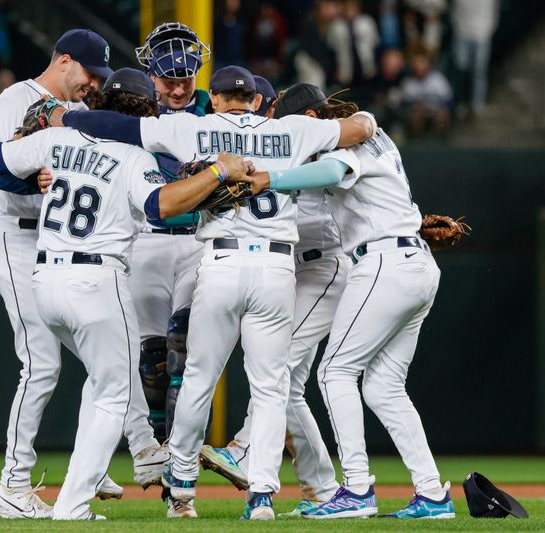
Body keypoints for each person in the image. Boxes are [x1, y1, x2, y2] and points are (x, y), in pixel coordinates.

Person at [51, 65, 377, 520]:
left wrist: (67, 119)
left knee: (199, 379)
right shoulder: (294, 129)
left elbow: (119, 126)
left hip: (221, 262)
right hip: (277, 267)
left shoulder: (196, 126)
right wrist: (359, 123)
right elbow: (361, 127)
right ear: (258, 102)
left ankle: (181, 492)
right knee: (269, 386)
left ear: (217, 99)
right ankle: (261, 495)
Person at [0, 68, 256, 520]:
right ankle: (74, 502)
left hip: (45, 278)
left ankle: (88, 474)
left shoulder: (56, 140)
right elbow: (163, 207)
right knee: (118, 390)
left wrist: (36, 174)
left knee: (101, 380)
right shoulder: (133, 157)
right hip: (96, 280)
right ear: (145, 108)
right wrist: (215, 174)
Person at [243, 84, 454, 520]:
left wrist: (271, 178)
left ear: (315, 119)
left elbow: (330, 174)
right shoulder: (371, 133)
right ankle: (433, 494)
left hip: (384, 261)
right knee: (384, 387)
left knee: (335, 372)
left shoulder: (346, 141)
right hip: (413, 261)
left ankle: (356, 489)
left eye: (294, 125)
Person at [0, 28, 163, 520]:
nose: (93, 83)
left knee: (103, 362)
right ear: (63, 61)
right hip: (16, 238)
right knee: (42, 364)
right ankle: (13, 485)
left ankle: (93, 461)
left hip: (53, 242)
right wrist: (30, 172)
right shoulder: (15, 98)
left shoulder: (80, 118)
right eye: (89, 73)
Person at [198, 83, 352, 517]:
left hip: (325, 267)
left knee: (278, 369)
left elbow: (344, 158)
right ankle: (321, 487)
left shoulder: (325, 148)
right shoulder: (293, 145)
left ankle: (246, 450)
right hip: (296, 270)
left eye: (286, 117)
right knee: (288, 388)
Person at [129, 22, 211, 446]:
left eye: (185, 78)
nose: (178, 89)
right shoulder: (132, 110)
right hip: (147, 237)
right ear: (151, 75)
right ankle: (160, 446)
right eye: (168, 79)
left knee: (184, 349)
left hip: (199, 238)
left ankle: (181, 460)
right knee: (153, 360)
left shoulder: (216, 112)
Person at [452, 0, 499, 115]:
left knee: (479, 71)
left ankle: (478, 104)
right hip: (462, 33)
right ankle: (461, 102)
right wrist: (457, 26)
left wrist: (488, 29)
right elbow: (454, 9)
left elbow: (494, 11)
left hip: (482, 35)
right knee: (461, 69)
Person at [400, 51, 452, 137]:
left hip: (436, 108)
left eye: (422, 63)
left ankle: (440, 141)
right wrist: (416, 105)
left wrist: (440, 106)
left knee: (442, 114)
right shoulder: (409, 81)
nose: (420, 66)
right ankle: (417, 140)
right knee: (415, 113)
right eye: (417, 64)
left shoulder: (438, 78)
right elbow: (405, 102)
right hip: (420, 110)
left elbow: (449, 99)